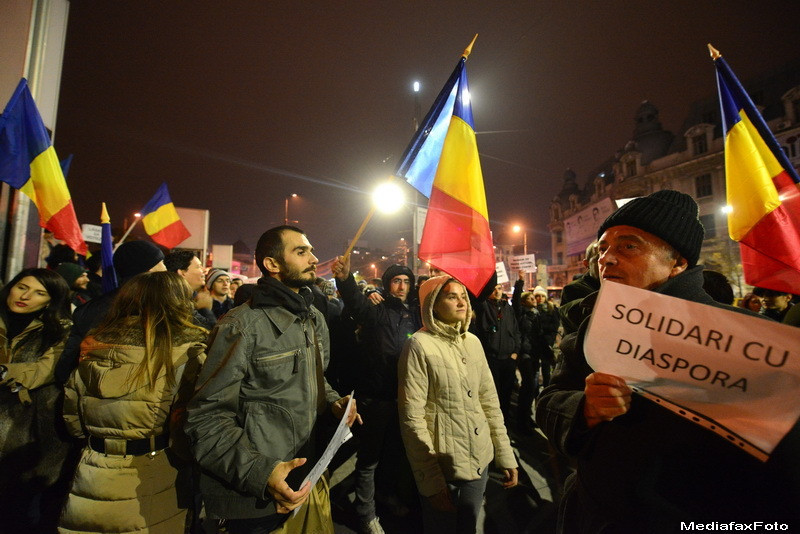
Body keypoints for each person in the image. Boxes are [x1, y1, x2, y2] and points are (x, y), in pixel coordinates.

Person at [535, 190, 800, 531]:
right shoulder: (593, 327)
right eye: (603, 248)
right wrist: (583, 409)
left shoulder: (746, 341)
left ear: (677, 262)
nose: (606, 259)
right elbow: (549, 401)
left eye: (628, 246)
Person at [186, 225, 359, 534]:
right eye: (301, 251)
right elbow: (205, 419)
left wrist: (334, 402)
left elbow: (314, 379)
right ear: (272, 264)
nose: (313, 258)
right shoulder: (241, 326)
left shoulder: (312, 318)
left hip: (304, 477)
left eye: (310, 250)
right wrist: (262, 473)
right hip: (252, 496)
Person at [59, 271, 207, 533]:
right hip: (154, 475)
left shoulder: (94, 346)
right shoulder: (188, 351)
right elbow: (190, 427)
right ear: (179, 303)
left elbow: (72, 416)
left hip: (92, 470)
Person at [398, 276, 518, 534]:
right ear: (432, 305)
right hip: (445, 465)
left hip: (481, 458)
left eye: (463, 296)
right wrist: (431, 481)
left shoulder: (473, 342)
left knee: (468, 526)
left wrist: (505, 454)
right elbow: (412, 418)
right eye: (451, 296)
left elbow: (489, 402)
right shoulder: (418, 345)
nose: (461, 302)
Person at [331, 258, 422, 534]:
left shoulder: (417, 314)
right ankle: (365, 513)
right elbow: (355, 302)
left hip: (404, 397)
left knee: (394, 453)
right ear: (387, 284)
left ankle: (385, 495)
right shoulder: (376, 310)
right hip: (375, 396)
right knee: (369, 459)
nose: (402, 287)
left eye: (407, 282)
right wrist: (345, 279)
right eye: (397, 281)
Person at [0, 268, 73, 531]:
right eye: (22, 287)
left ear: (51, 300)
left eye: (39, 293)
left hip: (26, 438)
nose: (26, 296)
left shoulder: (61, 331)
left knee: (17, 515)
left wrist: (6, 371)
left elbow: (44, 371)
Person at [471, 283, 520, 422]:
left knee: (507, 393)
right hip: (492, 359)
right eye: (493, 289)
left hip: (508, 359)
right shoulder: (483, 306)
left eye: (498, 288)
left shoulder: (507, 308)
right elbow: (477, 299)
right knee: (494, 395)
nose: (496, 292)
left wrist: (515, 352)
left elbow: (516, 331)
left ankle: (505, 425)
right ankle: (494, 424)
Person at [511, 273, 545, 434]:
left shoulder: (537, 315)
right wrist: (520, 281)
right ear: (524, 301)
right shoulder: (521, 313)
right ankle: (521, 421)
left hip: (534, 354)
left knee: (533, 387)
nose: (534, 300)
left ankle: (527, 418)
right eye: (531, 298)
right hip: (524, 354)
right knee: (529, 386)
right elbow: (516, 299)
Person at [165, 249, 215, 329]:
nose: (204, 270)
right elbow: (211, 333)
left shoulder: (189, 297)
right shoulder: (174, 301)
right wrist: (205, 309)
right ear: (182, 272)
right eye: (198, 266)